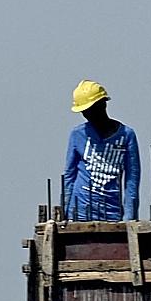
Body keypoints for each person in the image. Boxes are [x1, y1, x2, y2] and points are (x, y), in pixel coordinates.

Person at [62, 80, 140, 221]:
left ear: (103, 104)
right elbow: (69, 176)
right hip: (79, 212)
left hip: (111, 213)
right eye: (84, 111)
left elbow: (132, 180)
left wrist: (129, 218)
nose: (88, 115)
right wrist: (65, 212)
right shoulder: (78, 134)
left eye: (92, 109)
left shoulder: (127, 135)